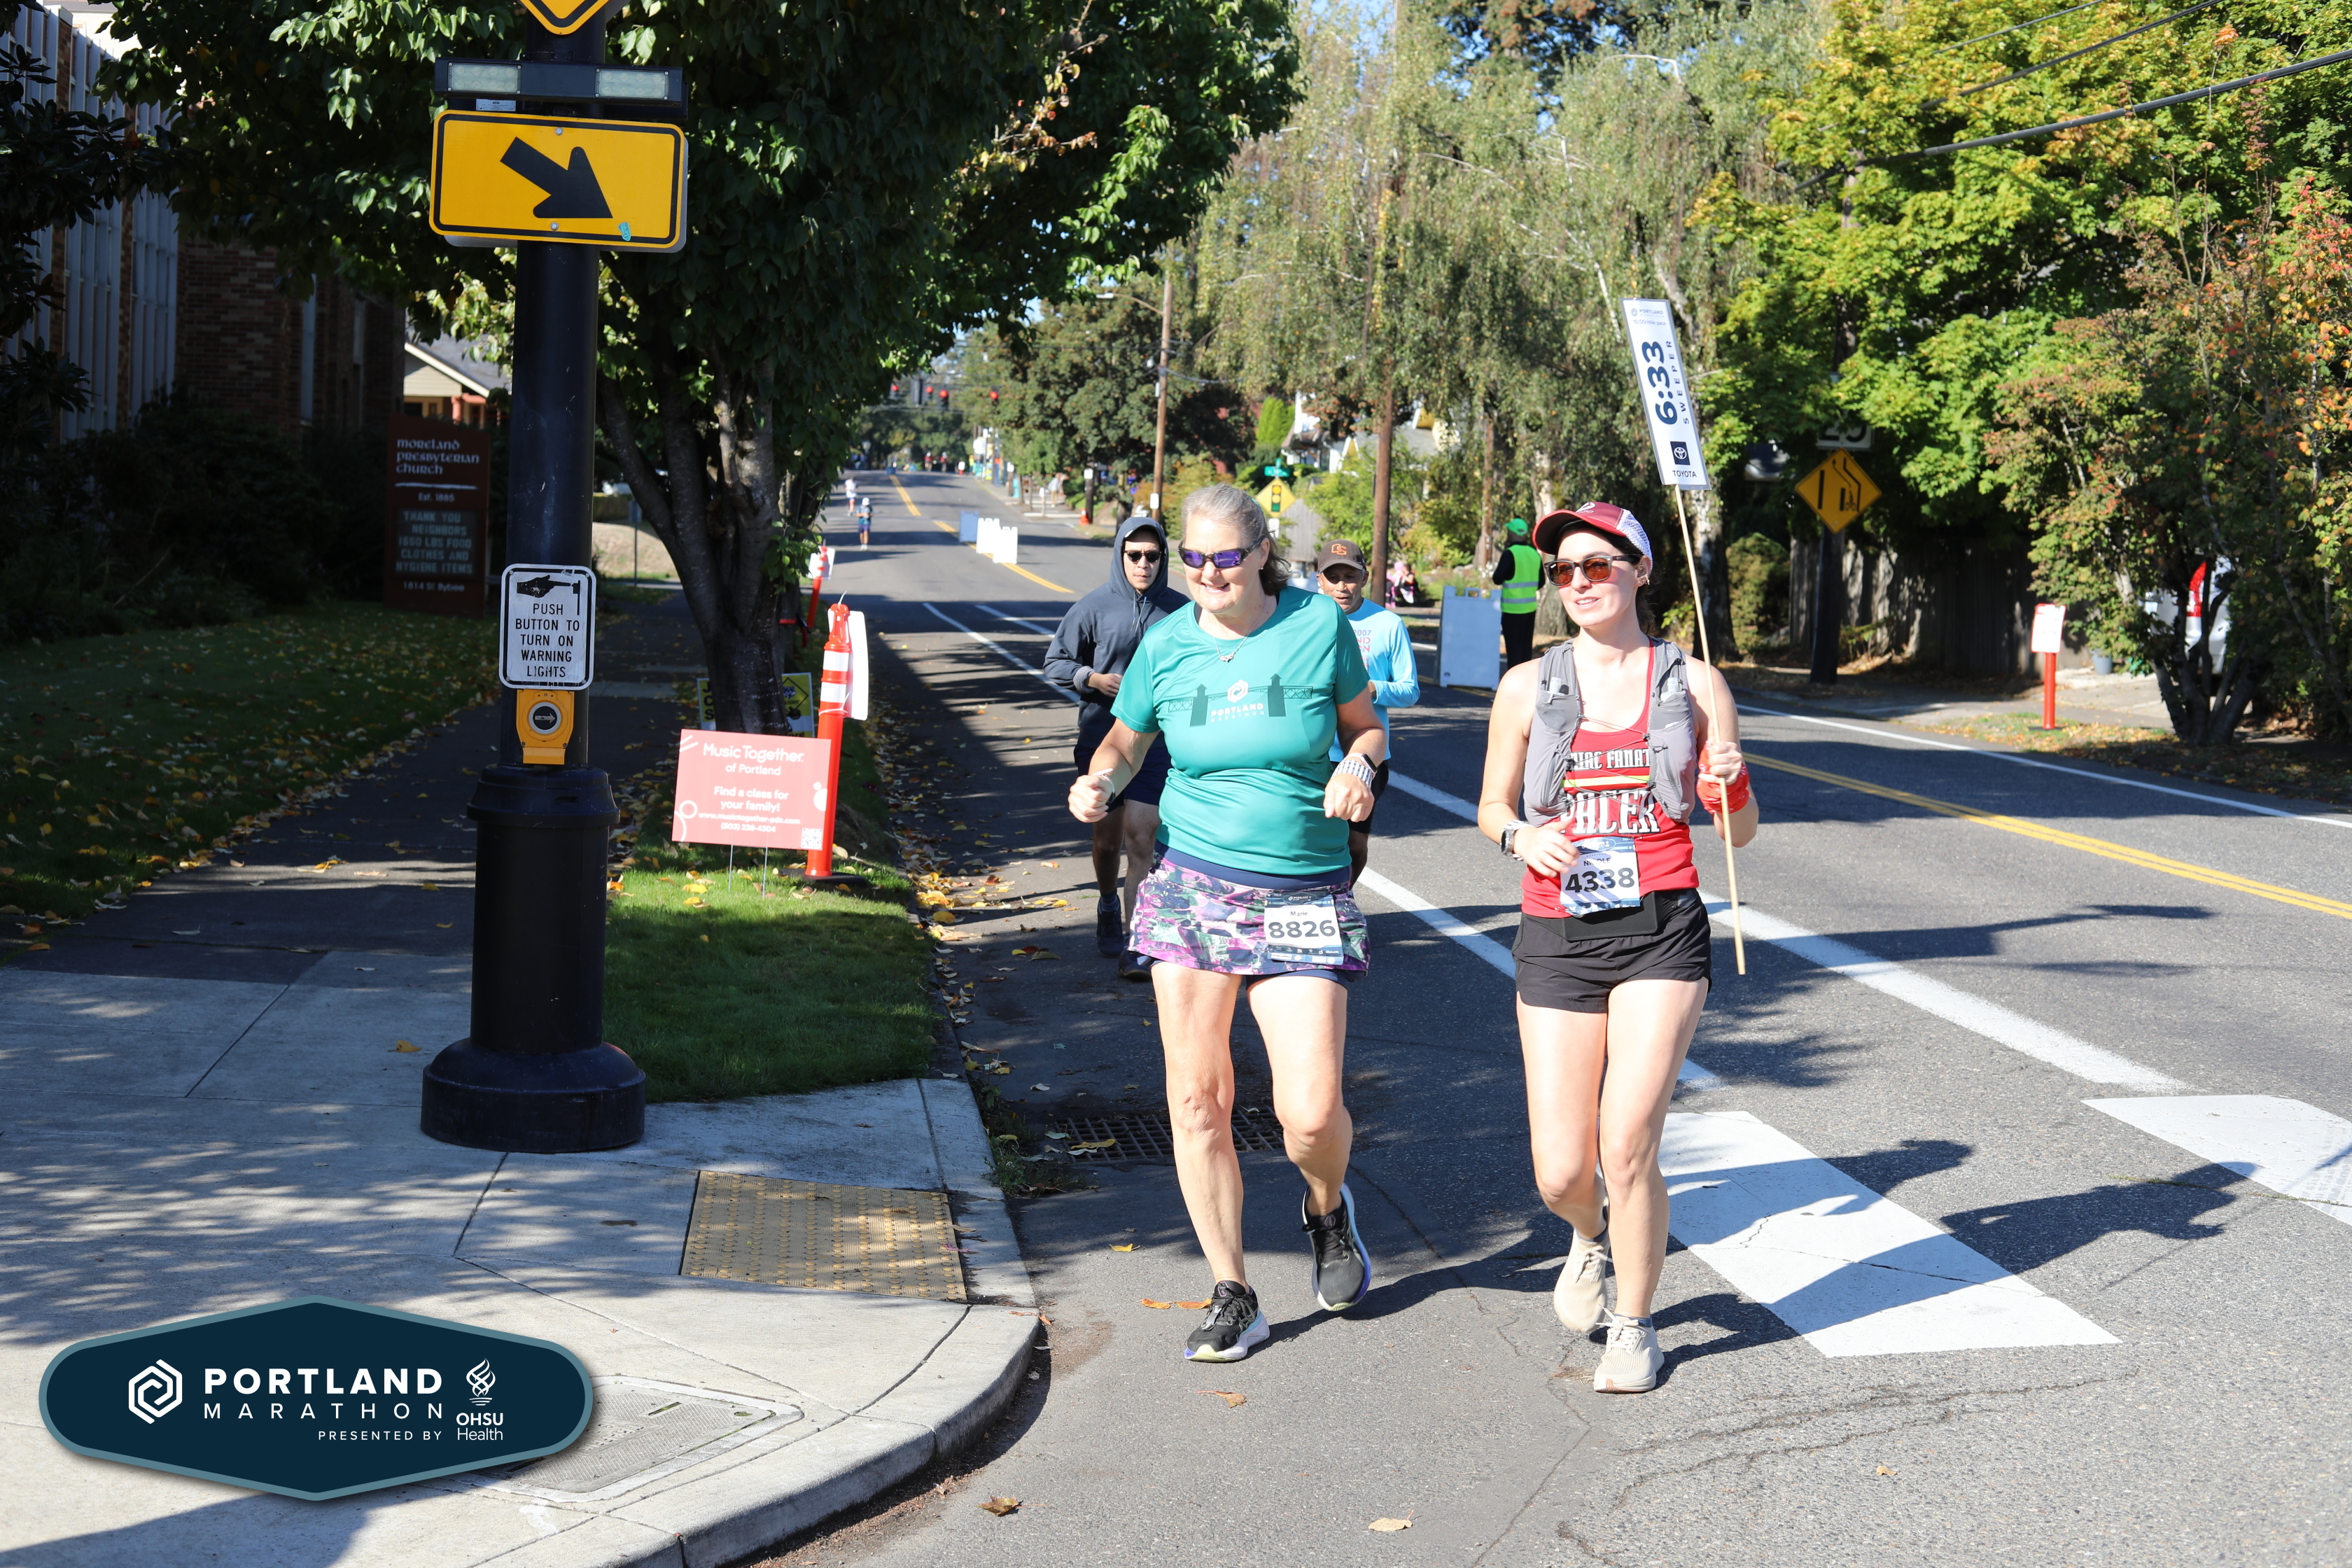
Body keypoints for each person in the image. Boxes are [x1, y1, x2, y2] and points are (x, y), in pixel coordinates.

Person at [1069, 484, 1387, 1361]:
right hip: (1193, 885)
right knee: (1196, 1099)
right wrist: (1100, 779)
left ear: (1261, 554)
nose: (1208, 572)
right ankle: (1233, 1290)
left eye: (1225, 556)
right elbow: (1125, 740)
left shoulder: (1317, 626)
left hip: (1301, 890)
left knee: (1310, 1114)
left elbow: (1367, 728)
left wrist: (1359, 767)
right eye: (1194, 557)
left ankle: (1326, 1208)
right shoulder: (1168, 644)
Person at [1477, 501, 1758, 1394]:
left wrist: (1730, 781)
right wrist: (1523, 837)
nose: (1579, 582)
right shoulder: (1526, 686)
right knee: (1562, 1168)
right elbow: (1493, 806)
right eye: (1564, 570)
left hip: (1662, 929)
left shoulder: (1697, 684)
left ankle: (1636, 1323)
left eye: (1598, 565)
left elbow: (1738, 833)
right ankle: (1590, 1234)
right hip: (1557, 931)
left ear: (1640, 570)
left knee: (1628, 1139)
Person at [1044, 514, 1189, 978]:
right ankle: (1108, 902)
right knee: (1107, 842)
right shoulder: (1094, 607)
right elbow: (1055, 662)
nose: (1143, 564)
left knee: (1142, 837)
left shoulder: (1183, 611)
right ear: (1120, 556)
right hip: (1101, 737)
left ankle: (1137, 943)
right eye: (1134, 555)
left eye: (1153, 556)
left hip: (1156, 743)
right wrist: (1092, 678)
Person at [1313, 538, 1419, 883]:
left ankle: (1343, 898)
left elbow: (1410, 690)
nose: (1341, 586)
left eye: (1350, 576)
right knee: (1316, 839)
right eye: (1333, 577)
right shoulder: (1304, 619)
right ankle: (1318, 903)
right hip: (1312, 752)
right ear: (1319, 579)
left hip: (1364, 756)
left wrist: (1372, 688)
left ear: (1364, 578)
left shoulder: (1388, 624)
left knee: (1354, 844)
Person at [1492, 517, 1543, 668]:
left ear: (1513, 533)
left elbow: (1497, 578)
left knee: (1514, 651)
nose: (1508, 533)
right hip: (1530, 609)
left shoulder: (1510, 553)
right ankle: (1525, 678)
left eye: (1509, 531)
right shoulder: (1534, 553)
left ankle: (1514, 679)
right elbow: (1541, 581)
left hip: (1512, 610)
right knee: (1526, 650)